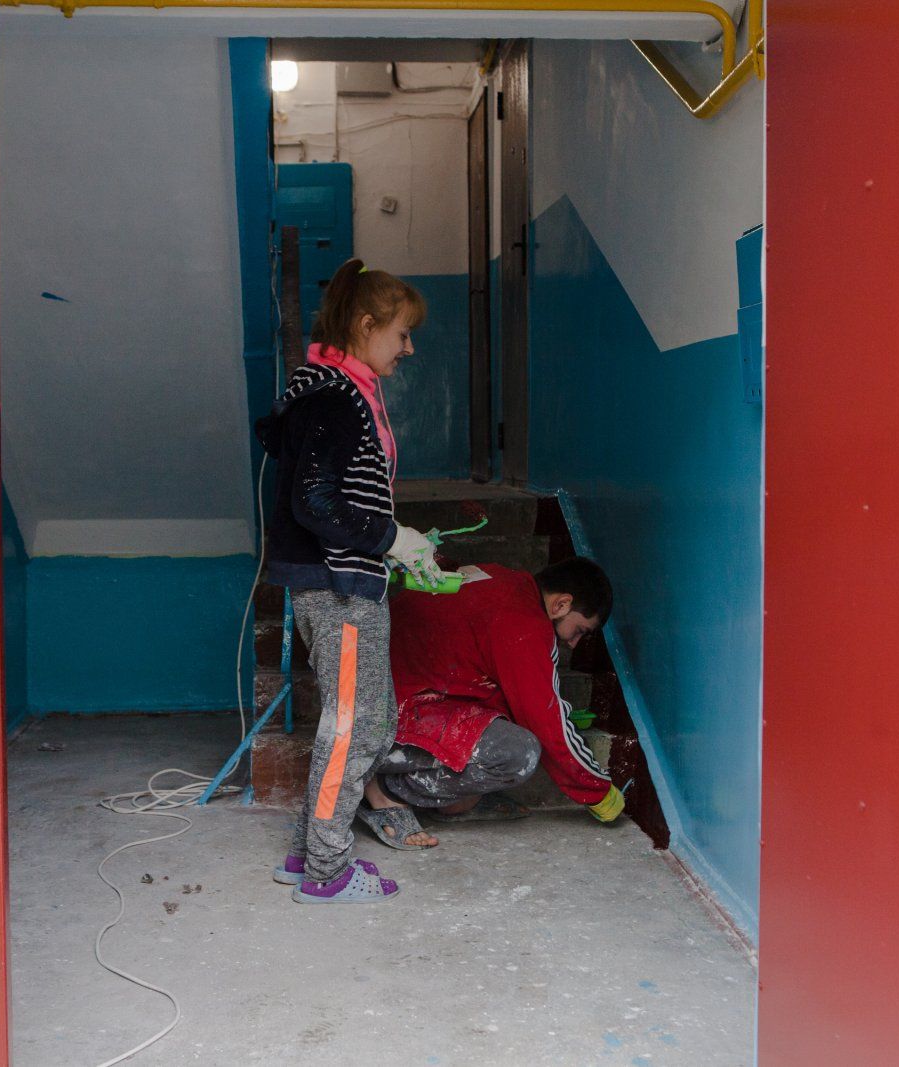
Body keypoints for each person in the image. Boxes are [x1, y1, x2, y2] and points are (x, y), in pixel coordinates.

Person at [254, 258, 443, 904]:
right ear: (366, 325)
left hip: (348, 582)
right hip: (338, 589)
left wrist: (392, 546)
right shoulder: (335, 397)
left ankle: (308, 851)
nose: (409, 348)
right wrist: (393, 538)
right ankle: (328, 872)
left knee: (370, 722)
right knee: (354, 728)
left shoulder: (337, 391)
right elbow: (315, 501)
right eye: (402, 334)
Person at [358, 556, 627, 845]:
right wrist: (598, 791)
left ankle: (452, 800)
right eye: (580, 631)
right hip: (383, 717)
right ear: (561, 604)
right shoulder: (525, 622)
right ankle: (385, 788)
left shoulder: (500, 579)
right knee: (517, 753)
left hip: (379, 692)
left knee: (504, 709)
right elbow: (547, 723)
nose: (573, 643)